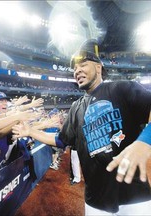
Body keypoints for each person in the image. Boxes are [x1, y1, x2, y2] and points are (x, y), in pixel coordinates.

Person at [12, 39, 151, 215]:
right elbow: (60, 140)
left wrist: (145, 141)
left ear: (98, 67)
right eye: (75, 68)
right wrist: (31, 131)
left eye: (83, 65)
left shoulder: (121, 88)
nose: (77, 71)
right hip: (96, 202)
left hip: (135, 196)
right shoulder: (76, 108)